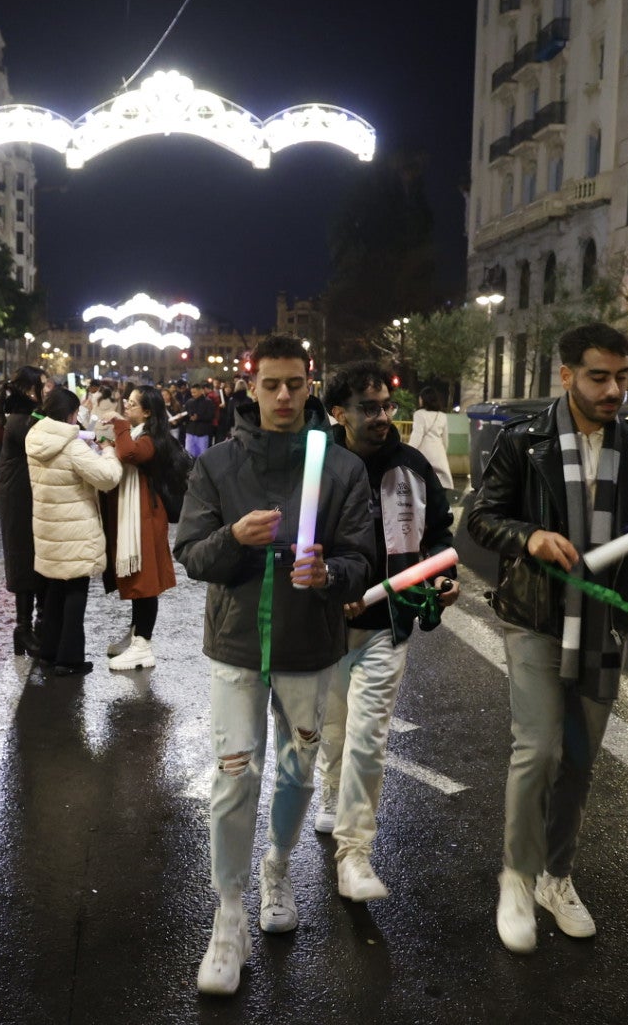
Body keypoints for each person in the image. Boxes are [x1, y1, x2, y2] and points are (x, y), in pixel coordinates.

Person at [466, 323, 628, 954]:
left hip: (603, 622)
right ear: (566, 375)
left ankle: (555, 876)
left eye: (623, 376)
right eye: (599, 376)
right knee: (538, 748)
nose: (614, 390)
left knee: (578, 759)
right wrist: (531, 537)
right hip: (535, 616)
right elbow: (479, 518)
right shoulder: (525, 442)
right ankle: (515, 874)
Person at [173, 334, 375, 997]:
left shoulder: (341, 468)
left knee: (296, 772)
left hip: (308, 649)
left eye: (294, 384)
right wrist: (234, 537)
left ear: (309, 383)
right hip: (235, 649)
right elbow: (193, 555)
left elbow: (360, 560)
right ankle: (227, 915)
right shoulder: (218, 468)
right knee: (234, 781)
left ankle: (278, 865)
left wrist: (331, 573)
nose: (284, 397)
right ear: (251, 387)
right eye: (271, 385)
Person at [314, 362, 459, 902]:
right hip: (326, 625)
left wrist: (442, 577)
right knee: (332, 728)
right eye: (367, 408)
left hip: (387, 625)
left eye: (386, 407)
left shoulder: (414, 467)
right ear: (339, 413)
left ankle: (354, 855)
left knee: (368, 737)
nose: (381, 417)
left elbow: (439, 536)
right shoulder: (318, 464)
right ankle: (330, 792)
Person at [26, 386, 122, 676]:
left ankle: (49, 652)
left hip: (48, 526)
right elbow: (108, 478)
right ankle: (69, 659)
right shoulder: (71, 445)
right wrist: (107, 451)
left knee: (56, 588)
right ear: (70, 414)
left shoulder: (35, 436)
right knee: (75, 592)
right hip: (75, 529)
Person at [99, 384, 180, 670]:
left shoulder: (151, 438)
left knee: (146, 582)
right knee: (137, 579)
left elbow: (130, 454)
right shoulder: (135, 432)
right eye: (127, 403)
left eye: (132, 404)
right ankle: (136, 635)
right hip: (135, 514)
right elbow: (117, 448)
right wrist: (106, 434)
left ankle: (143, 644)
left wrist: (118, 426)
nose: (126, 407)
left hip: (146, 515)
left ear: (147, 411)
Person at [0, 366, 47, 656]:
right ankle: (23, 629)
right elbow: (44, 442)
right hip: (19, 498)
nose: (47, 390)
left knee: (34, 555)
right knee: (23, 558)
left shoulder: (28, 416)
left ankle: (36, 625)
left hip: (28, 494)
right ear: (31, 389)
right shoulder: (20, 420)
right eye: (43, 385)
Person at [408, 386, 454, 491]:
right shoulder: (442, 416)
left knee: (422, 487)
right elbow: (445, 439)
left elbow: (417, 436)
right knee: (440, 487)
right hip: (439, 454)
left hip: (424, 454)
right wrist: (442, 452)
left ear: (424, 399)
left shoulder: (419, 414)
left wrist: (407, 451)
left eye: (420, 398)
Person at [183, 381, 218, 458]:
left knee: (202, 456)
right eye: (192, 392)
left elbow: (210, 416)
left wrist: (198, 418)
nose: (193, 394)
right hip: (190, 432)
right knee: (189, 455)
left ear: (201, 391)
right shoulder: (189, 402)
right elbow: (185, 414)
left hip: (202, 433)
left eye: (194, 392)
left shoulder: (208, 402)